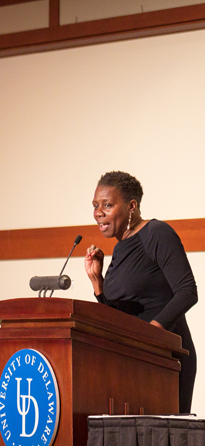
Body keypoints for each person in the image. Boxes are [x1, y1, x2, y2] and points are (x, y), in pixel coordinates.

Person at [84, 171, 198, 413]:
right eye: (95, 206)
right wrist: (97, 281)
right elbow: (116, 319)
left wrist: (150, 335)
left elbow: (187, 291)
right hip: (133, 359)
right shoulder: (120, 249)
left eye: (107, 204)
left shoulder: (156, 233)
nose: (98, 213)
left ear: (131, 206)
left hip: (165, 358)